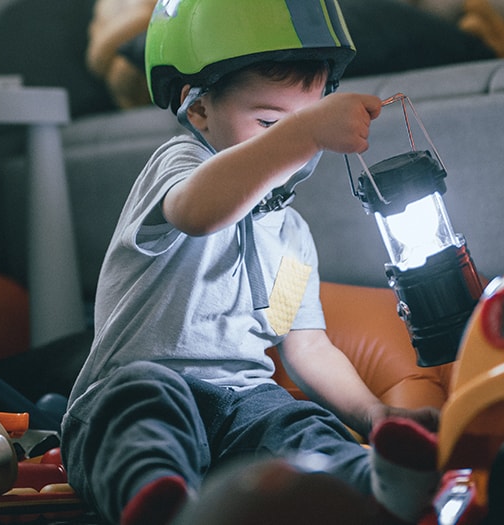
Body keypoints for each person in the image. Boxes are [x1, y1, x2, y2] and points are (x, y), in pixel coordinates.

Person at [61, 1, 441, 524]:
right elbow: (200, 212)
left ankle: (371, 487)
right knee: (141, 409)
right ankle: (153, 499)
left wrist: (373, 413)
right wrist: (307, 130)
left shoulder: (291, 236)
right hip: (139, 385)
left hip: (241, 404)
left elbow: (305, 344)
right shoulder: (182, 165)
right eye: (268, 122)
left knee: (297, 424)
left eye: (307, 121)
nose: (296, 146)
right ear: (198, 110)